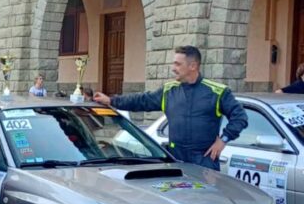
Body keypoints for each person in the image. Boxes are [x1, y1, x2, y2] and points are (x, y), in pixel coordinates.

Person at [94, 45, 247, 170]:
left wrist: (223, 140)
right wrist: (111, 100)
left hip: (204, 160)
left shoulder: (217, 92)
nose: (173, 68)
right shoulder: (169, 91)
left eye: (178, 64)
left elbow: (240, 118)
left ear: (193, 66)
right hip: (176, 159)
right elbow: (142, 101)